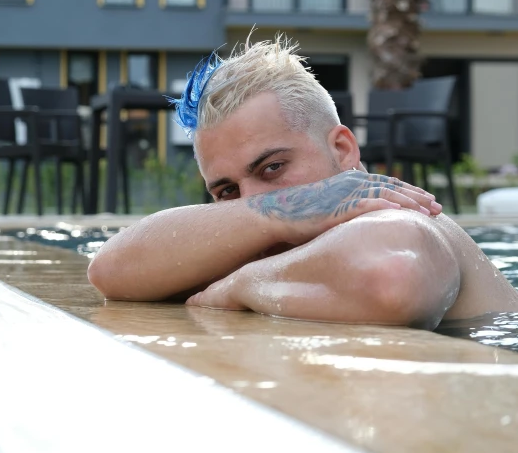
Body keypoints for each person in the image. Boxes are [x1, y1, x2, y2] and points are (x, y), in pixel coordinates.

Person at [88, 38, 518, 330]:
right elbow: (108, 271)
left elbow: (393, 276)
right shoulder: (280, 247)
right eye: (227, 192)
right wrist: (273, 219)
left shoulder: (396, 210)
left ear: (344, 150)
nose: (252, 202)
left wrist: (238, 285)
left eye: (273, 168)